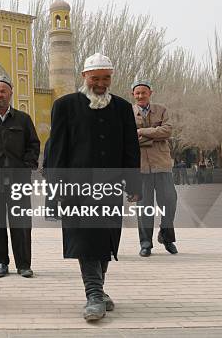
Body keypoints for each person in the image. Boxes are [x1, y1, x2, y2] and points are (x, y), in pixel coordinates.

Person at [44, 53, 141, 321]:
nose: (100, 83)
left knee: (107, 239)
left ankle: (98, 288)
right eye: (95, 78)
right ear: (85, 77)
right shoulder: (65, 106)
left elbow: (130, 148)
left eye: (105, 78)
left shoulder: (122, 108)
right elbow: (57, 150)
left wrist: (133, 184)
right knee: (85, 240)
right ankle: (94, 295)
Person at [0, 75, 40, 278]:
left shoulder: (23, 119)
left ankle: (23, 264)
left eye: (3, 91)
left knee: (21, 224)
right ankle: (0, 262)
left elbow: (33, 144)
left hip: (18, 180)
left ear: (11, 93)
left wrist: (27, 165)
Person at [132, 80, 178, 257]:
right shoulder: (129, 113)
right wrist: (154, 133)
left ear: (151, 93)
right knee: (144, 207)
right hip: (141, 167)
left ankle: (166, 237)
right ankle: (146, 243)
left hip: (162, 165)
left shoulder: (162, 110)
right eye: (137, 93)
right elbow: (128, 137)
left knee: (169, 202)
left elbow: (167, 131)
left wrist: (142, 132)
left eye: (144, 92)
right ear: (133, 95)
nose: (141, 96)